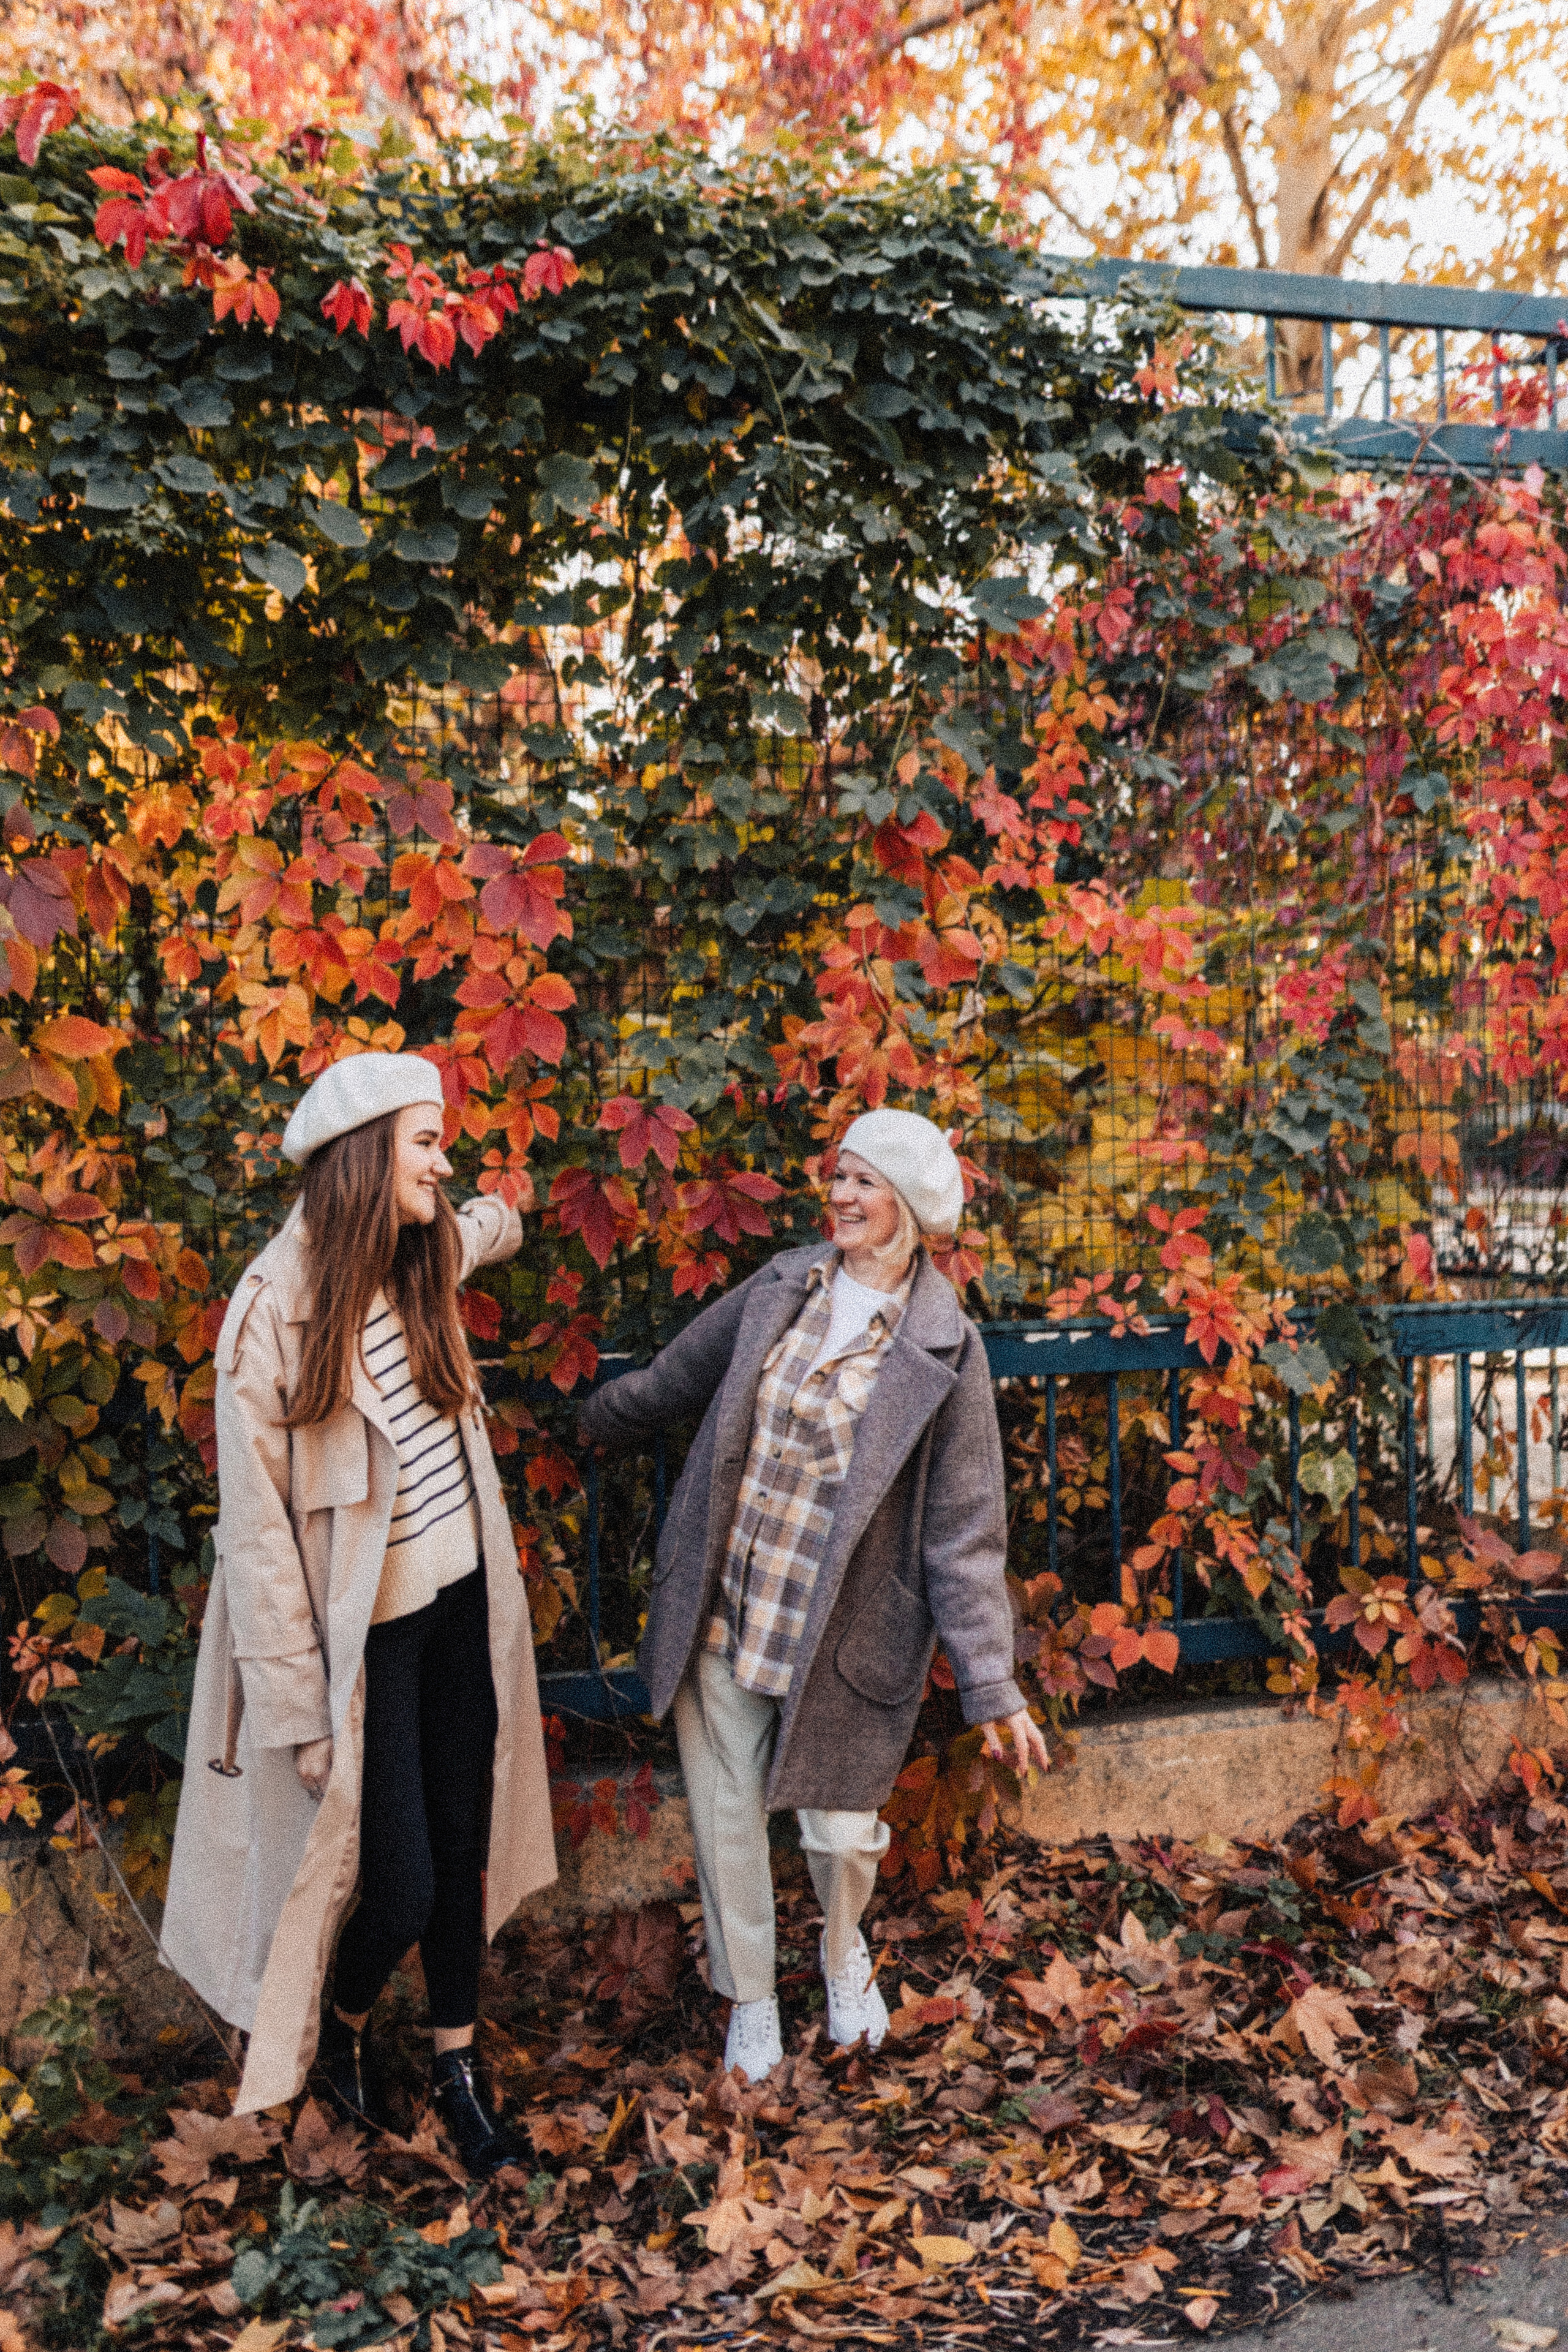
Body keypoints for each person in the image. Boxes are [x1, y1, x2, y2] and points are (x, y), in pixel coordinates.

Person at [578, 1107, 1045, 2081]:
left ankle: (841, 1954)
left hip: (841, 1628)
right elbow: (678, 1377)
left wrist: (993, 1683)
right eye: (838, 1177)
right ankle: (750, 1998)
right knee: (726, 1813)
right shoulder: (783, 1285)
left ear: (909, 1210)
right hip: (728, 1595)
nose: (839, 1195)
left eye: (865, 1183)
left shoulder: (947, 1348)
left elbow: (966, 1533)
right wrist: (586, 1417)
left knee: (839, 1835)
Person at [160, 1053, 556, 2172]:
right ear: (363, 1155)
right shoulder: (273, 1313)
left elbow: (487, 1228)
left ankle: (457, 2069)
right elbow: (259, 1545)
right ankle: (339, 2035)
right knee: (400, 1885)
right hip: (365, 1649)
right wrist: (304, 1715)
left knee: (461, 1852)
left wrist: (502, 1217)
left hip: (464, 1610)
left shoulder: (426, 1252)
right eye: (425, 1143)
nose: (444, 1160)